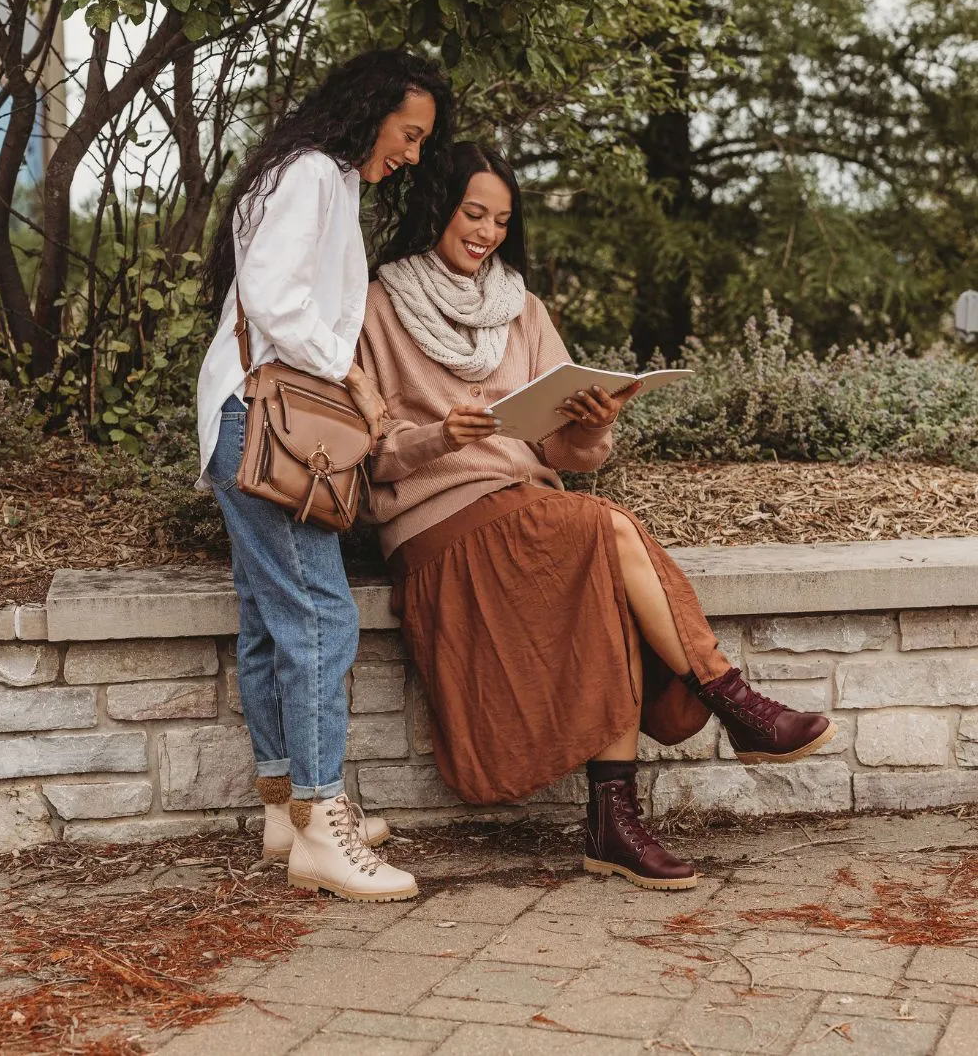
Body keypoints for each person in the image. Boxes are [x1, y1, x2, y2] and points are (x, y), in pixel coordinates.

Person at [356, 142, 836, 891]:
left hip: (530, 507)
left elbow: (566, 453)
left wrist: (587, 421)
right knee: (603, 527)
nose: (485, 232)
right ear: (436, 208)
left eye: (501, 220)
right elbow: (372, 458)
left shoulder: (523, 308)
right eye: (473, 213)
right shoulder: (377, 306)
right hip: (437, 527)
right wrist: (440, 436)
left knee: (603, 566)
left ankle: (615, 824)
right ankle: (730, 699)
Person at [197, 49, 453, 902]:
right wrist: (350, 373)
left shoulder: (319, 175)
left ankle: (286, 812)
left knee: (275, 623)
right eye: (409, 133)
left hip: (248, 421)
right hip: (267, 425)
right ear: (370, 108)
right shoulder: (311, 172)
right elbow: (273, 296)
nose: (413, 152)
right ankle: (321, 821)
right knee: (319, 616)